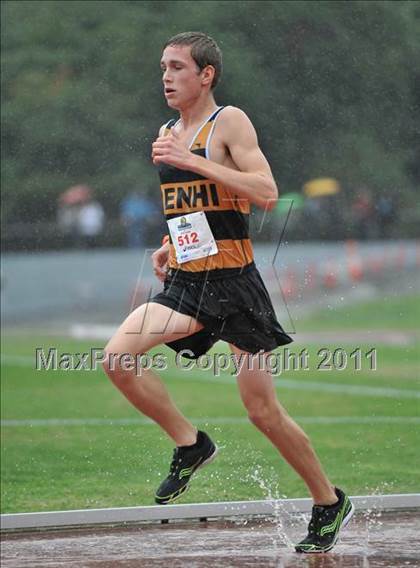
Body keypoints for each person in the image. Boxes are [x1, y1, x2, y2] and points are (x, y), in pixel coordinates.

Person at [103, 32, 354, 553]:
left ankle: (328, 501)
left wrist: (192, 160)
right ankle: (191, 443)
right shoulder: (169, 130)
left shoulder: (229, 122)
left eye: (176, 67)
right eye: (163, 68)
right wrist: (170, 243)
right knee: (117, 358)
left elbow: (266, 193)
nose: (166, 77)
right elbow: (194, 205)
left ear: (206, 74)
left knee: (262, 413)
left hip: (235, 286)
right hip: (189, 283)